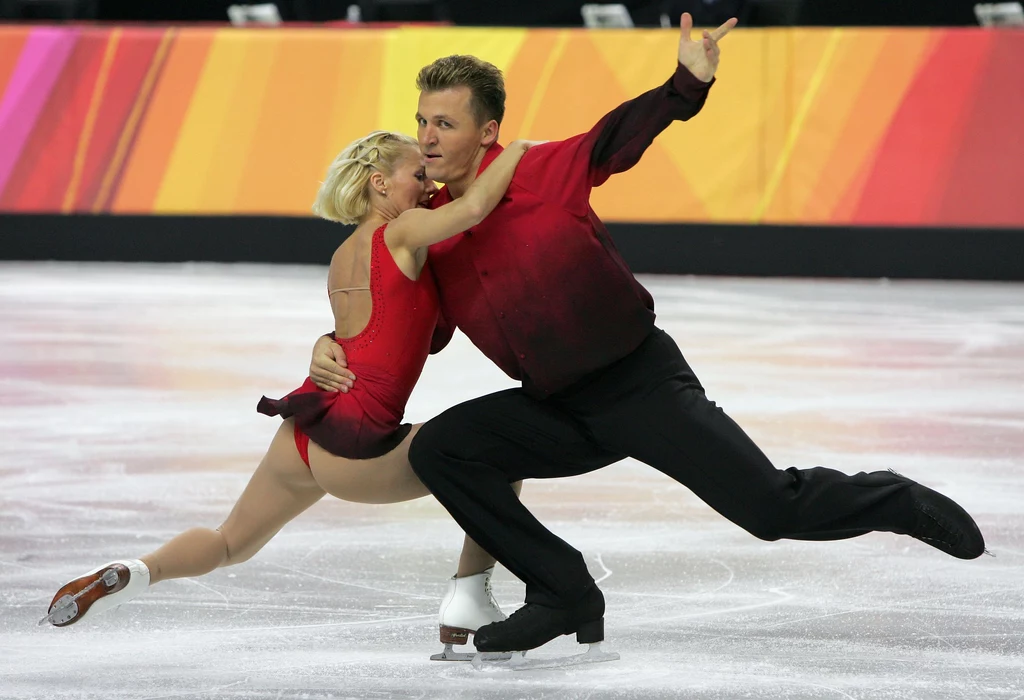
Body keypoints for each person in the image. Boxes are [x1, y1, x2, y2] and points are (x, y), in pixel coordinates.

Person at [308, 14, 987, 656]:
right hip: (555, 407)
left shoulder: (544, 170)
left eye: (445, 123)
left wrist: (686, 84)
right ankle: (563, 591)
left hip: (640, 386)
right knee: (446, 451)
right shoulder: (432, 228)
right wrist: (334, 344)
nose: (426, 138)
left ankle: (894, 498)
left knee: (771, 509)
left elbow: (620, 135)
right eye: (421, 121)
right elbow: (405, 320)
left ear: (487, 133)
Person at [44, 130, 541, 658]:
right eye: (417, 175)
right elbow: (477, 206)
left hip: (306, 430)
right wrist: (520, 150)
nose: (428, 184)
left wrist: (322, 343)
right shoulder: (403, 233)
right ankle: (468, 600)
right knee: (501, 456)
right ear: (379, 183)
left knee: (231, 541)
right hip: (358, 445)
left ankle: (138, 571)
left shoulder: (342, 255)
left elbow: (365, 333)